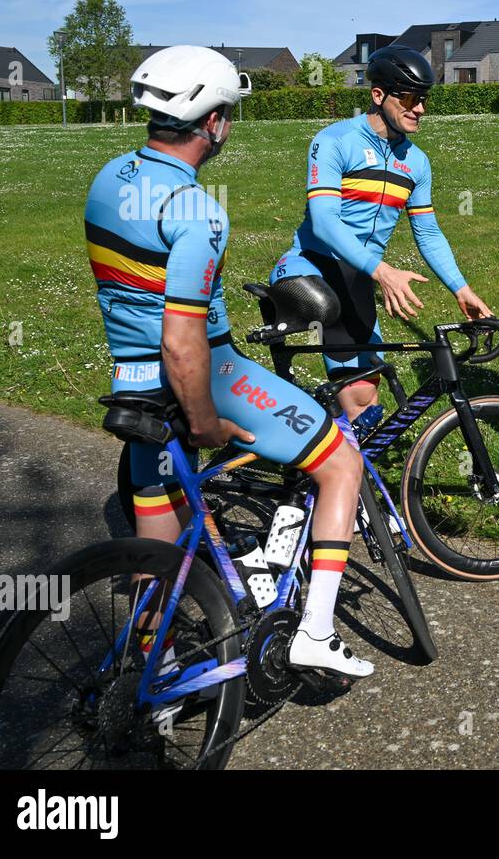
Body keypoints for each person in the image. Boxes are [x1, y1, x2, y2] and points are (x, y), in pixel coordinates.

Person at [85, 46, 372, 677]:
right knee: (342, 463)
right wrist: (208, 420)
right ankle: (316, 634)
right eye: (228, 115)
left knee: (155, 536)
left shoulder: (109, 178)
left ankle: (144, 670)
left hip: (132, 386)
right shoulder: (196, 210)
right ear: (212, 122)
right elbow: (183, 339)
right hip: (204, 375)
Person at [270, 44, 492, 421]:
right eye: (408, 97)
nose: (419, 108)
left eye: (422, 98)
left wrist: (461, 288)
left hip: (358, 276)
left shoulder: (416, 162)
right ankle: (325, 454)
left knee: (370, 397)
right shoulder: (335, 141)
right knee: (358, 396)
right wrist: (383, 271)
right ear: (378, 95)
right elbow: (324, 222)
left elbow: (428, 232)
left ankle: (336, 456)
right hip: (313, 269)